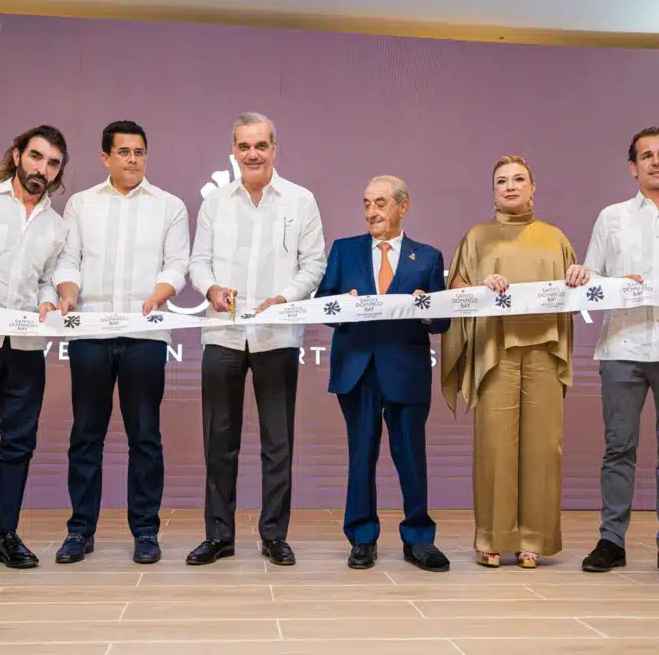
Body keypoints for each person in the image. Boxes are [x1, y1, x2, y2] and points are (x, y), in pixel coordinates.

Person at [187, 112, 326, 567]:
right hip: (222, 333)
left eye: (260, 145)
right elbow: (199, 262)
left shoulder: (301, 200)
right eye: (244, 146)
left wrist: (285, 298)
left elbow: (314, 264)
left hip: (277, 334)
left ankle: (274, 535)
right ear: (233, 150)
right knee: (219, 441)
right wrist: (211, 288)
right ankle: (219, 536)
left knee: (277, 443)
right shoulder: (215, 203)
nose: (252, 154)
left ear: (274, 148)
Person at [441, 155, 589, 569]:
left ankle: (534, 540)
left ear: (533, 188)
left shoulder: (555, 238)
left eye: (518, 179)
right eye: (502, 181)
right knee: (494, 446)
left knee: (544, 447)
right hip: (495, 350)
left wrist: (580, 276)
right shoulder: (477, 237)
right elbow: (456, 287)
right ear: (493, 191)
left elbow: (576, 293)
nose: (510, 186)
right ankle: (492, 536)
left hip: (545, 349)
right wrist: (480, 285)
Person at [53, 120, 190, 565]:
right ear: (105, 157)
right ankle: (80, 530)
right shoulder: (81, 204)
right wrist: (68, 293)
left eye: (139, 152)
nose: (133, 159)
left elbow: (177, 265)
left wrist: (160, 294)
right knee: (86, 435)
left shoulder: (169, 206)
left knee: (145, 436)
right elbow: (67, 261)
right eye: (124, 152)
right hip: (90, 333)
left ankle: (146, 531)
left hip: (145, 335)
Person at [316, 175, 451, 571]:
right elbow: (323, 303)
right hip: (356, 369)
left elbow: (442, 321)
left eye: (380, 203)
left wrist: (426, 309)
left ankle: (419, 539)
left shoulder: (428, 257)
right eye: (366, 203)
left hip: (406, 371)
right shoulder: (344, 250)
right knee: (361, 456)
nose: (371, 211)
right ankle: (362, 538)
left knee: (411, 457)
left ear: (403, 207)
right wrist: (342, 305)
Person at [0, 125, 70, 568]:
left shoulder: (57, 227)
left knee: (18, 444)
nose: (43, 168)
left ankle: (5, 536)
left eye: (53, 163)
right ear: (17, 154)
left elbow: (47, 281)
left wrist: (48, 300)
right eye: (36, 157)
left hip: (25, 348)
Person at [581, 127, 659, 572]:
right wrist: (614, 285)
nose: (655, 161)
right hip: (622, 347)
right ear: (633, 167)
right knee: (619, 448)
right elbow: (590, 279)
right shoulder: (612, 217)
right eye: (646, 155)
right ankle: (612, 541)